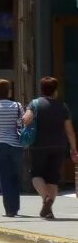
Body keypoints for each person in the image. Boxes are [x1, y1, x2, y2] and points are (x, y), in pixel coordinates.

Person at [23, 75, 78, 220]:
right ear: (55, 90)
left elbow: (25, 120)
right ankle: (48, 210)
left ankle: (46, 197)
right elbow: (69, 131)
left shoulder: (35, 104)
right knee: (53, 177)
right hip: (59, 146)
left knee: (36, 175)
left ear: (41, 89)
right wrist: (73, 149)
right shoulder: (63, 106)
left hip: (39, 146)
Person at [0, 78, 25, 217]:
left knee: (4, 176)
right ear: (7, 91)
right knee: (14, 176)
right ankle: (15, 206)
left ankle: (9, 209)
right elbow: (22, 124)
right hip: (16, 145)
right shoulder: (17, 106)